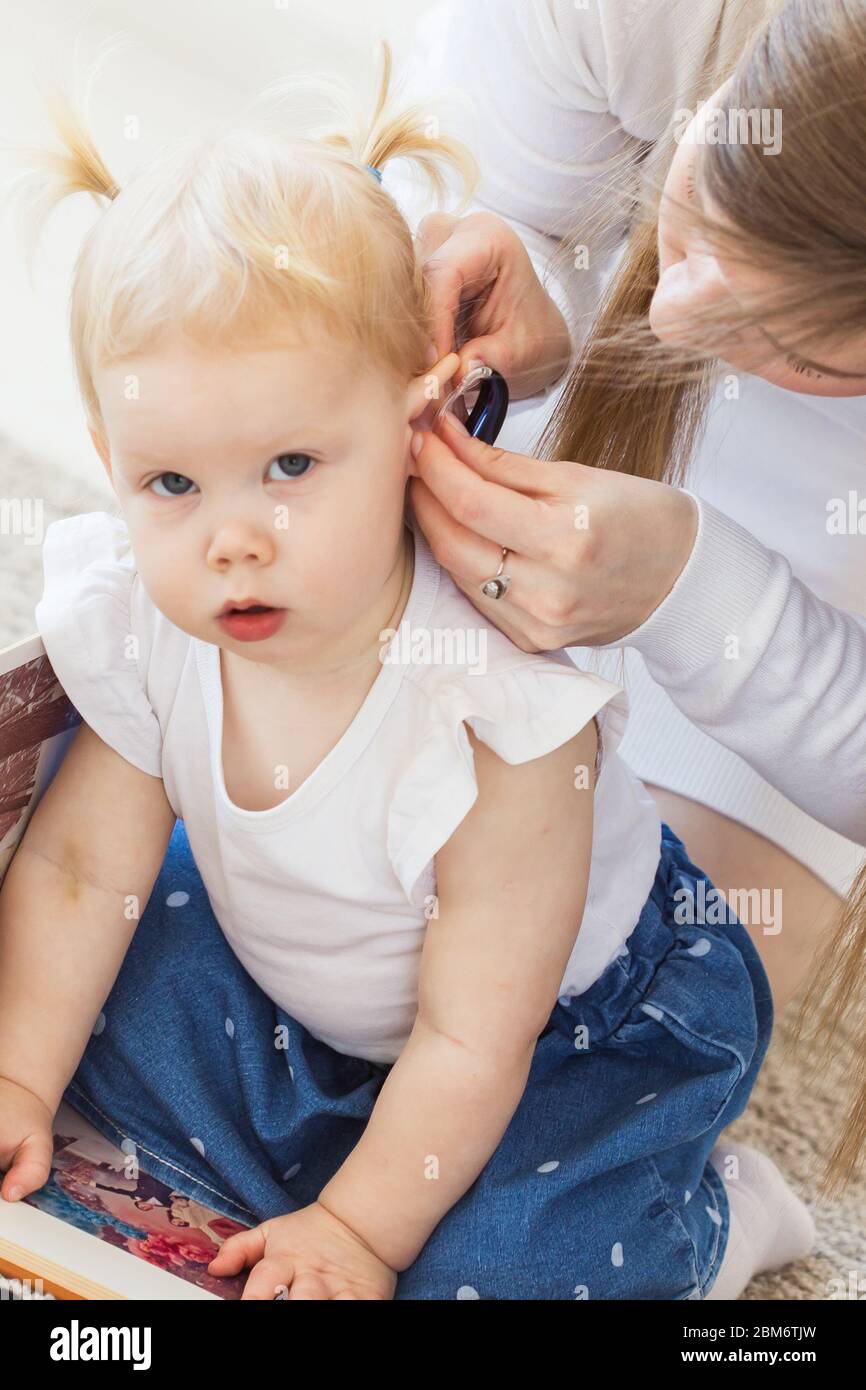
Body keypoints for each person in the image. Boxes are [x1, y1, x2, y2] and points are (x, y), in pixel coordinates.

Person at [0, 45, 812, 1300]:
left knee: (510, 1269)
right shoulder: (152, 615)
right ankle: (329, 1155)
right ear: (112, 459)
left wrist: (357, 1237)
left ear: (417, 413)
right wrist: (19, 1078)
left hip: (556, 1033)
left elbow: (469, 1034)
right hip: (308, 984)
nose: (231, 538)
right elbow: (76, 870)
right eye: (170, 482)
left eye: (289, 466)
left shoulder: (491, 700)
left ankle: (710, 1223)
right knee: (94, 988)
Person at [397, 0, 866, 1188]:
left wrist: (688, 593)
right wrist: (523, 247)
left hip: (790, 693)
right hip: (514, 514)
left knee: (559, 1117)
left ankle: (735, 1222)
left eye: (797, 349)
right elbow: (403, 209)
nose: (666, 320)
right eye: (695, 215)